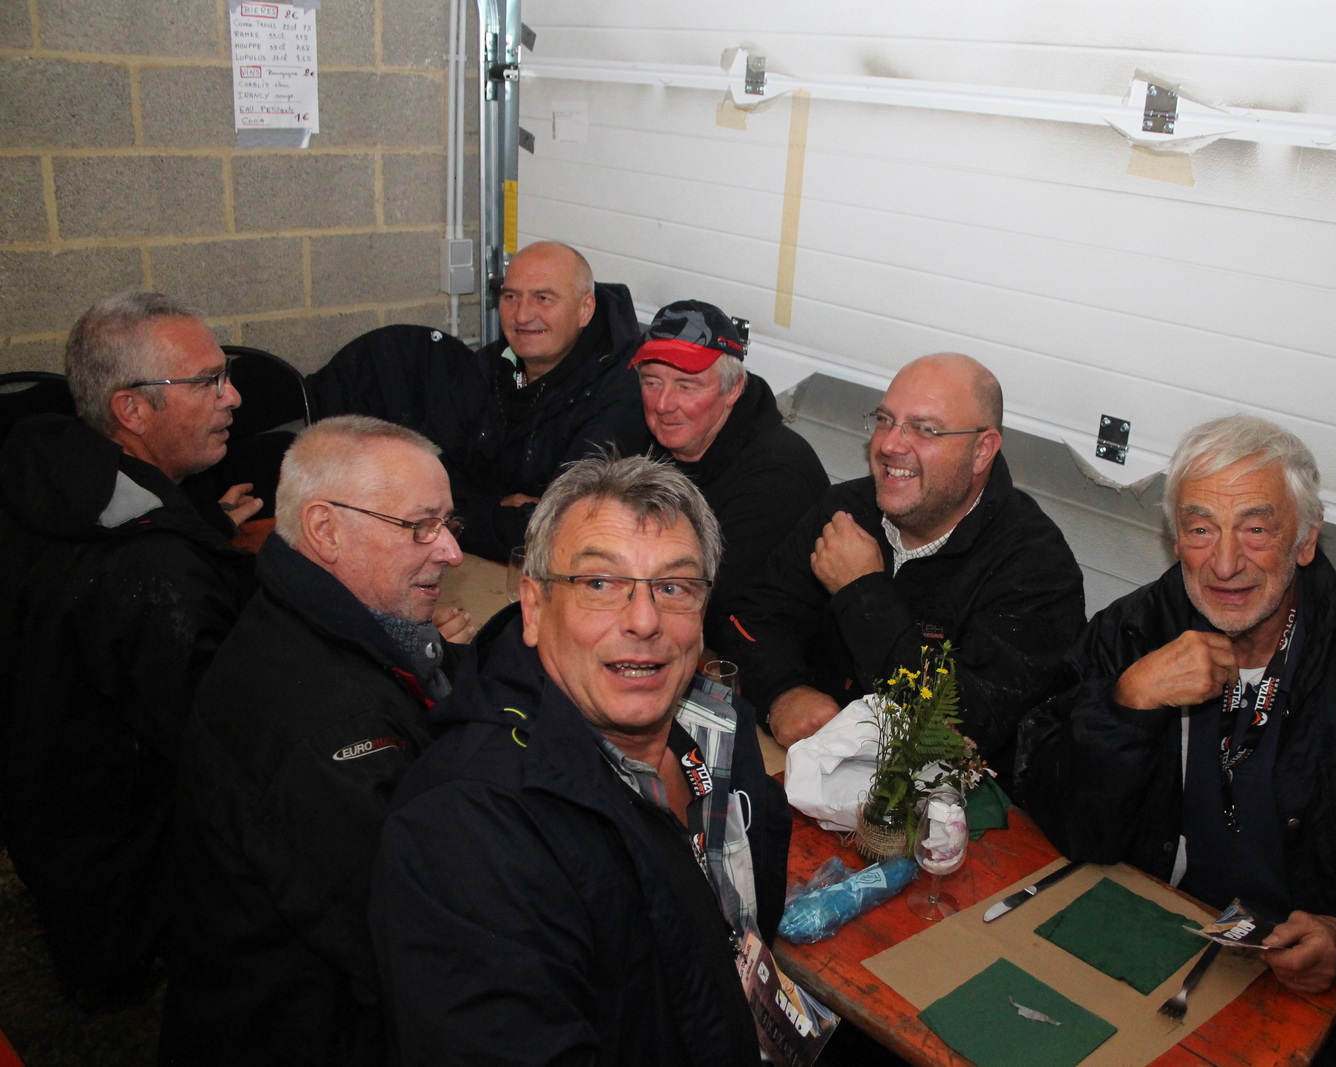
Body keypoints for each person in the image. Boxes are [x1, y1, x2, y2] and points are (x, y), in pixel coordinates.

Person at [1013, 414, 1336, 1066]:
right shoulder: (1134, 632)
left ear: (1305, 540)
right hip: (1157, 930)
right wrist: (1126, 704)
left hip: (1313, 986)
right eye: (1201, 528)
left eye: (1256, 529)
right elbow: (1061, 814)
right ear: (1175, 539)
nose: (1225, 563)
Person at [371, 454, 789, 1066]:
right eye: (599, 584)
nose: (644, 620)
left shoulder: (721, 733)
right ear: (534, 607)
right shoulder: (463, 834)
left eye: (673, 587)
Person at [160, 416, 471, 1066]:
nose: (450, 552)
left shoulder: (306, 617)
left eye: (449, 524)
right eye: (421, 526)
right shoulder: (332, 730)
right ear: (326, 530)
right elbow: (415, 945)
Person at [0, 291, 260, 996]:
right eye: (207, 381)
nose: (233, 397)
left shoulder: (49, 472)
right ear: (131, 410)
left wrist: (196, 523)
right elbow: (221, 739)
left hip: (43, 820)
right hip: (125, 867)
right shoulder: (156, 569)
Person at [720, 352, 1085, 784]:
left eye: (925, 429)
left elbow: (965, 726)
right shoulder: (846, 511)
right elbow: (751, 618)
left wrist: (861, 592)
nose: (889, 445)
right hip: (815, 778)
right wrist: (783, 691)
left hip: (949, 809)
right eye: (885, 420)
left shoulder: (1036, 567)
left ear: (981, 451)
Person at [631, 299, 829, 640]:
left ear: (733, 389)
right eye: (652, 382)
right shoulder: (648, 440)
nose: (663, 404)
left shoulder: (777, 477)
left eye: (686, 386)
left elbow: (709, 608)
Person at [449, 241, 648, 559]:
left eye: (543, 298)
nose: (522, 315)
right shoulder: (488, 367)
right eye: (511, 297)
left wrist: (464, 518)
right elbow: (430, 488)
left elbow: (564, 528)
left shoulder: (619, 392)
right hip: (469, 561)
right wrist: (496, 510)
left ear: (585, 309)